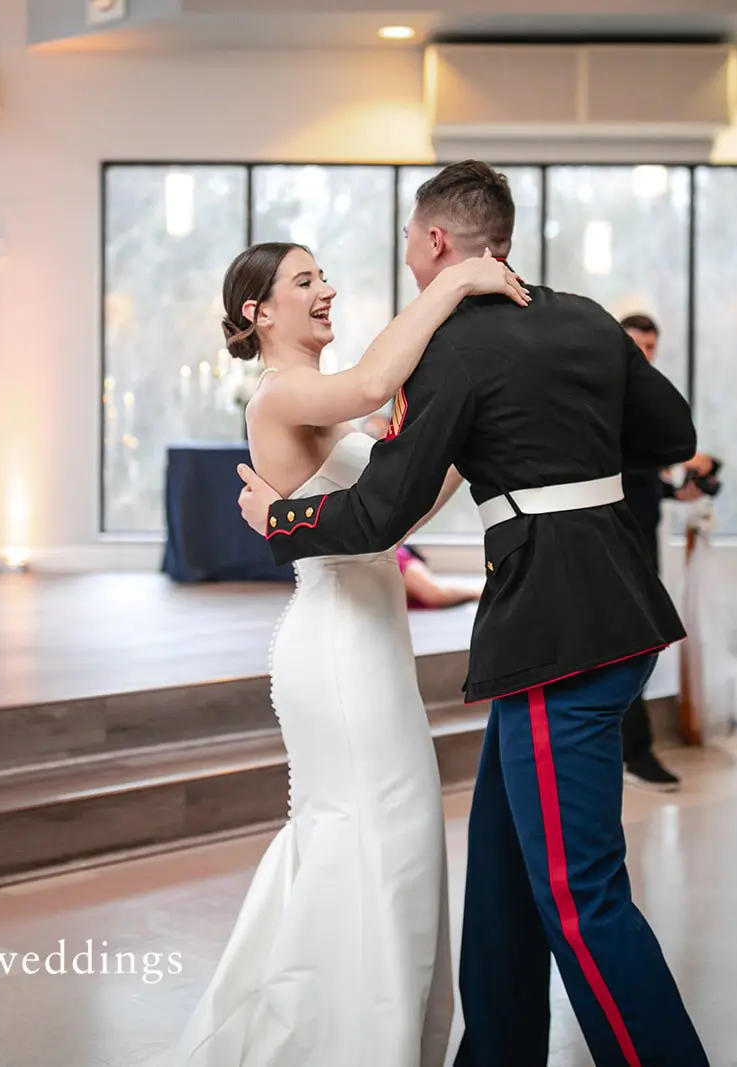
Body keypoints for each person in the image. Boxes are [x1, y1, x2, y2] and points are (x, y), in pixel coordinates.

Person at [237, 160, 710, 1067]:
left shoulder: (451, 350)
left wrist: (282, 516)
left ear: (439, 242)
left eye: (411, 240)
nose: (406, 257)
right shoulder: (581, 314)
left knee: (580, 896)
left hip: (555, 634)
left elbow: (379, 511)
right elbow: (671, 437)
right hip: (619, 615)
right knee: (499, 874)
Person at [163, 240, 528, 1067]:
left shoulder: (334, 408)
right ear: (259, 314)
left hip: (371, 640)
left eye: (325, 273)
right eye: (305, 280)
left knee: (391, 844)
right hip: (334, 646)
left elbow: (402, 509)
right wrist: (462, 278)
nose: (327, 288)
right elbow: (372, 381)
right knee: (370, 842)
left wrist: (467, 427)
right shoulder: (283, 394)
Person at [617, 312, 710, 791]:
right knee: (633, 643)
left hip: (644, 534)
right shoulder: (606, 397)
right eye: (637, 346)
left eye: (652, 347)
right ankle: (635, 750)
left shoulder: (648, 399)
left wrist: (678, 492)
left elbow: (644, 477)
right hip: (612, 538)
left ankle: (633, 747)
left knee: (641, 642)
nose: (645, 355)